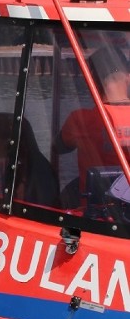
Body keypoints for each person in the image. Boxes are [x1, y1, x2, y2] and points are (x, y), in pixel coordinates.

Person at [56, 47, 130, 204]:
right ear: (128, 78)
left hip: (94, 211)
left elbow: (58, 148)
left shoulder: (80, 119)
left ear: (93, 82)